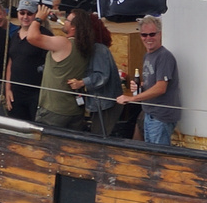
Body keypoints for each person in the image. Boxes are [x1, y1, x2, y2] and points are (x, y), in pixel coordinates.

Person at [118, 15, 182, 145]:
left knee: (158, 156)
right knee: (149, 154)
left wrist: (133, 98)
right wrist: (140, 86)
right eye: (144, 35)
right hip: (149, 113)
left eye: (152, 34)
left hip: (160, 116)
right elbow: (151, 82)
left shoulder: (164, 56)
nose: (148, 38)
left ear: (160, 34)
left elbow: (161, 87)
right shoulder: (147, 55)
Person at [61, 8, 123, 136]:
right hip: (99, 104)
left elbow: (101, 76)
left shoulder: (99, 49)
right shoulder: (93, 49)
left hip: (105, 105)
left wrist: (81, 83)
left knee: (99, 136)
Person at [9, 0, 66, 122]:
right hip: (16, 91)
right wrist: (7, 88)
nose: (25, 17)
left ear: (36, 16)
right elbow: (10, 62)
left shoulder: (44, 36)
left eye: (29, 14)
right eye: (22, 13)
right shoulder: (14, 35)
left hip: (37, 91)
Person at [32, 1, 85, 129]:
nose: (64, 21)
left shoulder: (64, 43)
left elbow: (32, 37)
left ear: (74, 27)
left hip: (54, 110)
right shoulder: (86, 44)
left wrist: (38, 18)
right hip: (75, 110)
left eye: (67, 20)